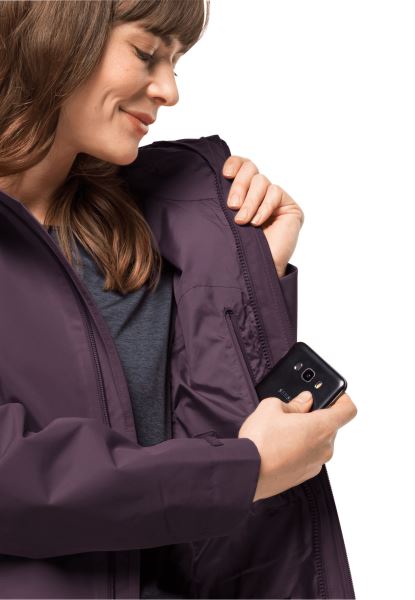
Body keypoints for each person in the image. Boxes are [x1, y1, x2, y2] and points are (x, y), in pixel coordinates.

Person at [0, 1, 357, 599]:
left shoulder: (159, 223)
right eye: (146, 53)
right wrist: (245, 470)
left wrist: (251, 273)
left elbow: (196, 487)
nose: (169, 91)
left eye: (176, 62)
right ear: (56, 32)